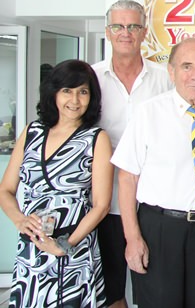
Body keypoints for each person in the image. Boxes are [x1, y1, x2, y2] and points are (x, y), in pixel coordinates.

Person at [111, 38, 195, 308]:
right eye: (187, 66)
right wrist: (132, 238)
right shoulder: (148, 113)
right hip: (160, 229)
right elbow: (127, 177)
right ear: (171, 71)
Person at [0, 59, 113, 307]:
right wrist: (20, 220)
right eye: (67, 91)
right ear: (53, 93)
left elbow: (101, 205)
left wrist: (65, 245)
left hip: (73, 245)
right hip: (33, 246)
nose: (75, 100)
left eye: (83, 92)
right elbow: (6, 190)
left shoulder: (96, 138)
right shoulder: (31, 132)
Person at [92, 0, 171, 308]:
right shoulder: (91, 79)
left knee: (155, 289)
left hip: (153, 205)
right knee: (112, 290)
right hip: (103, 204)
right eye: (118, 26)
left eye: (133, 26)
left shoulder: (164, 78)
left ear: (144, 32)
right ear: (108, 32)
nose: (126, 33)